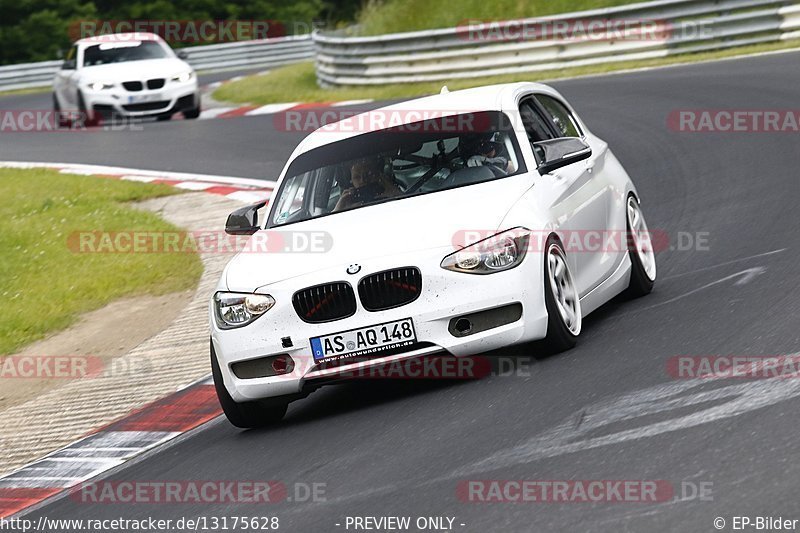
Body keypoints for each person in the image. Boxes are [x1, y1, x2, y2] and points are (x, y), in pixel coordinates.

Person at [333, 157, 402, 212]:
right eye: (357, 177)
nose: (363, 180)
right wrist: (338, 210)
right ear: (351, 182)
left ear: (379, 175)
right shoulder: (347, 202)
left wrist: (397, 197)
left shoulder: (392, 194)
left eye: (369, 174)